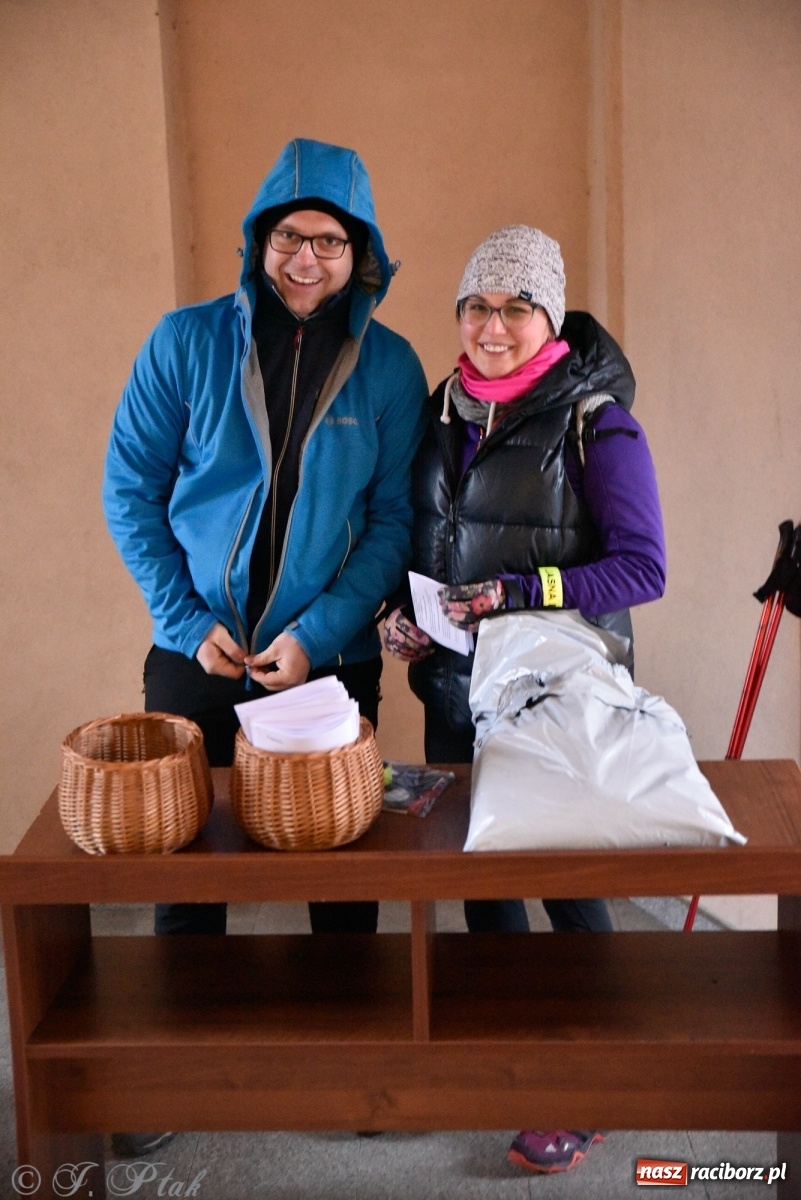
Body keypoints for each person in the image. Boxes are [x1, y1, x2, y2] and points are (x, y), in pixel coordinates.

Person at [103, 138, 427, 1155]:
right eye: (290, 236)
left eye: (330, 242)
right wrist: (185, 619)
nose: (307, 259)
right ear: (259, 240)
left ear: (361, 253)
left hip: (324, 657)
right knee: (184, 861)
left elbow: (391, 527)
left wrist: (322, 634)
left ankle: (346, 1068)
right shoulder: (184, 341)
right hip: (193, 651)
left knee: (343, 862)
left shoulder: (392, 364)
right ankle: (176, 1070)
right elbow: (130, 489)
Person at [383, 224, 666, 1175]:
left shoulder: (596, 420)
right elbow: (428, 541)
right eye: (476, 306)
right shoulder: (444, 410)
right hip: (457, 692)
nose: (492, 326)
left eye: (514, 307)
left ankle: (593, 1085)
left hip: (554, 699)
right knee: (483, 887)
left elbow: (641, 568)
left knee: (567, 889)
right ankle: (514, 1071)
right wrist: (402, 616)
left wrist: (521, 591)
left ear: (549, 317)